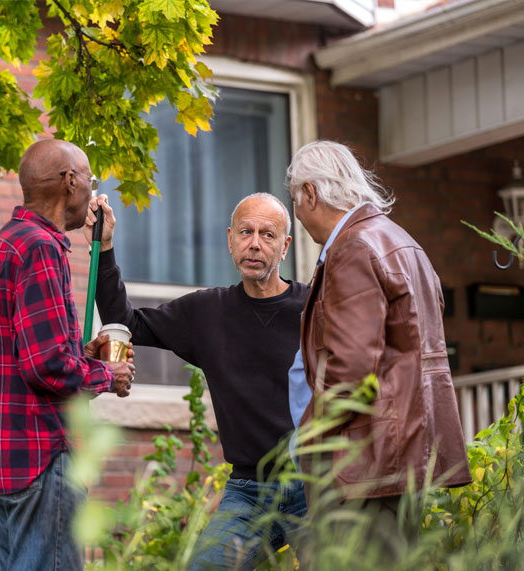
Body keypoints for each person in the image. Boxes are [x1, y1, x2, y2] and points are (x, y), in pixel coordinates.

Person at [86, 191, 309, 570]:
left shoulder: (313, 309)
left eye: (267, 235)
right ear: (229, 239)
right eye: (245, 232)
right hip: (250, 491)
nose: (254, 244)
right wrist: (104, 247)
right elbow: (127, 321)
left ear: (285, 246)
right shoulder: (207, 312)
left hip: (315, 486)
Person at [286, 140, 471, 552]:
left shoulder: (352, 247)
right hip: (402, 455)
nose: (300, 219)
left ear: (311, 194)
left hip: (365, 463)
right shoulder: (403, 242)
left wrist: (312, 437)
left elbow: (351, 369)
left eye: (296, 204)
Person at [0, 138, 135, 571]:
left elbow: (22, 354)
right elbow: (47, 367)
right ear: (69, 181)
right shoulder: (42, 247)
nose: (92, 192)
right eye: (90, 180)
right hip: (40, 454)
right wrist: (105, 375)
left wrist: (84, 354)